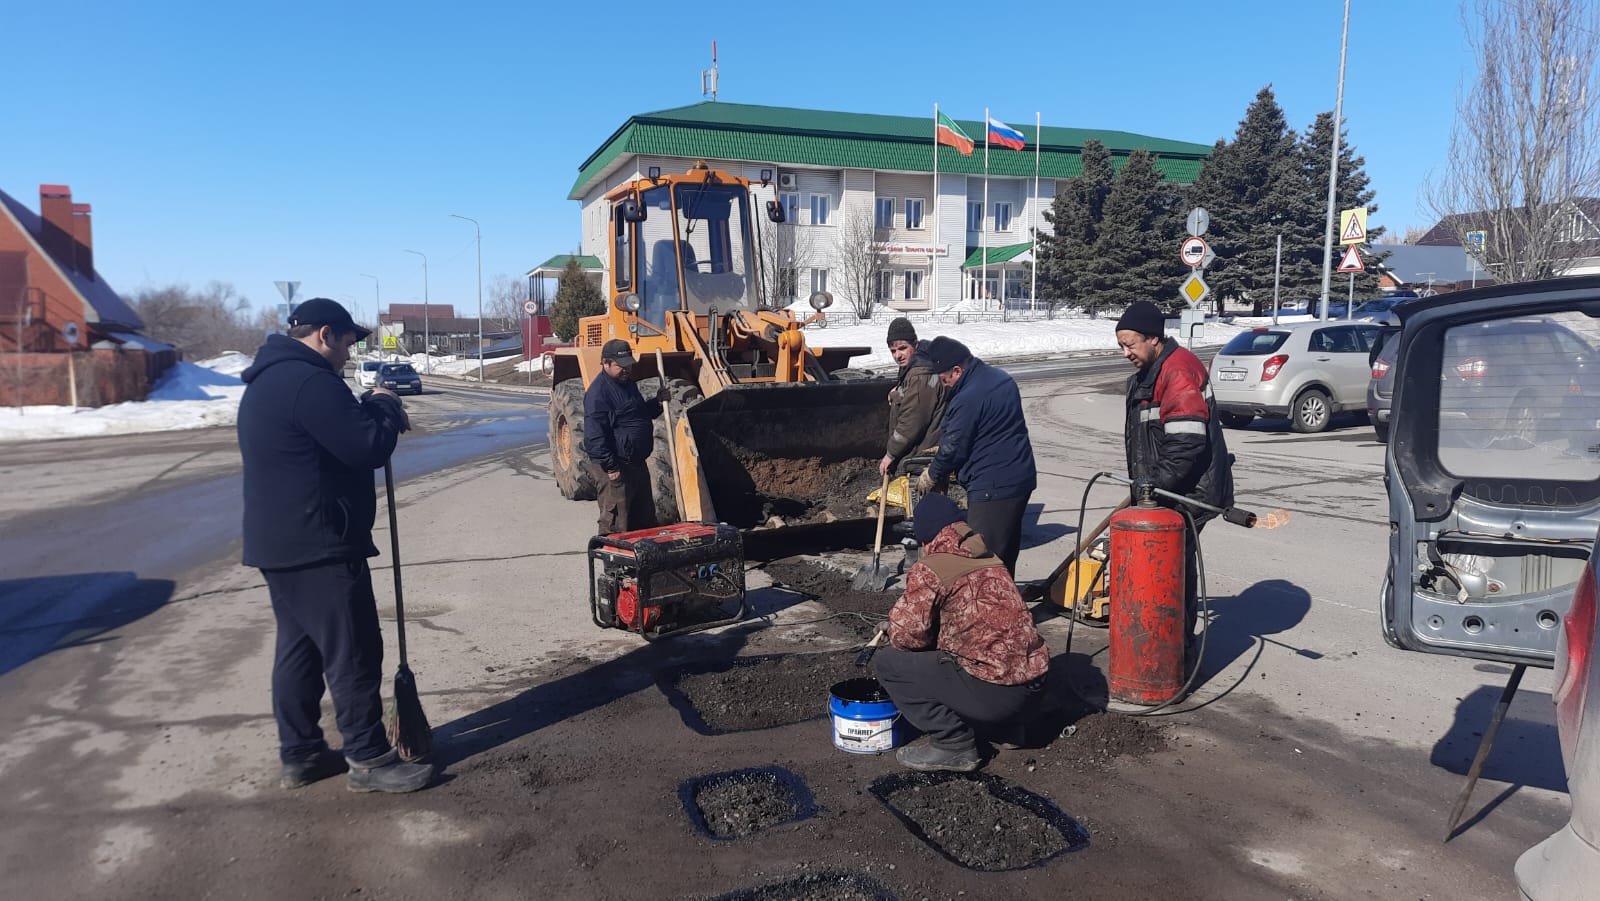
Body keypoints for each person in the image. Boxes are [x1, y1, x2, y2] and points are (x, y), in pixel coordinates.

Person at [238, 297, 435, 794]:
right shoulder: (309, 382)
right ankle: (368, 757)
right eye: (347, 343)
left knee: (299, 651)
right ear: (325, 334)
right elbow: (366, 445)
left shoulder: (269, 380)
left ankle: (301, 752)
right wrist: (386, 408)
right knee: (354, 650)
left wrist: (367, 409)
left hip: (279, 543)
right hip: (318, 542)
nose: (349, 355)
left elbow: (336, 435)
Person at [874, 494, 1050, 772]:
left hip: (997, 697)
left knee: (888, 662)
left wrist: (894, 624)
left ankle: (953, 744)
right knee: (989, 652)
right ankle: (1008, 730)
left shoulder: (931, 568)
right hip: (1035, 692)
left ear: (926, 537)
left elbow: (908, 638)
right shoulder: (992, 559)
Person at [1114, 300, 1235, 656]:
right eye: (1120, 345)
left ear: (1153, 339)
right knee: (1170, 567)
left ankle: (1173, 650)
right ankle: (1168, 641)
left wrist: (1152, 487)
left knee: (1171, 570)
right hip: (1167, 487)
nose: (1125, 353)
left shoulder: (1177, 370)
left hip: (1188, 490)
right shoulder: (1152, 372)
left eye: (1130, 344)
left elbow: (1186, 442)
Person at [915, 337, 1036, 575]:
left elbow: (953, 448)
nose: (945, 386)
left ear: (957, 370)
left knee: (981, 557)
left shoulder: (968, 398)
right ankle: (1007, 603)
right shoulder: (1000, 378)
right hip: (1020, 477)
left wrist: (932, 473)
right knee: (1006, 551)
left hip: (993, 485)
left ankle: (990, 608)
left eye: (944, 379)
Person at [584, 338, 670, 534]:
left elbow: (637, 416)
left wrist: (657, 403)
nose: (627, 369)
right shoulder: (598, 393)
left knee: (644, 518)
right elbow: (594, 436)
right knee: (616, 522)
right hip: (614, 466)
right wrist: (611, 466)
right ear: (605, 363)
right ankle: (615, 562)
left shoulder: (627, 385)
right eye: (620, 365)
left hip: (636, 463)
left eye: (629, 364)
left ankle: (642, 561)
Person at [879, 317, 945, 478]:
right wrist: (898, 392)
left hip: (921, 459)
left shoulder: (920, 375)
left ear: (915, 345)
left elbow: (911, 422)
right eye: (893, 351)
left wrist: (891, 454)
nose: (897, 356)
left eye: (902, 348)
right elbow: (915, 396)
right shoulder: (920, 366)